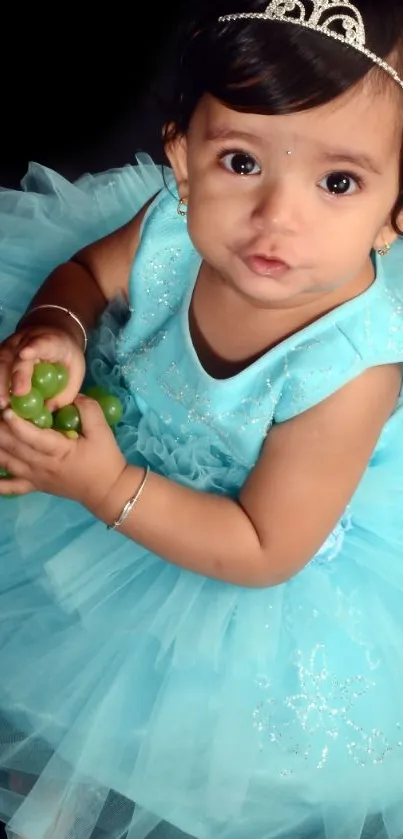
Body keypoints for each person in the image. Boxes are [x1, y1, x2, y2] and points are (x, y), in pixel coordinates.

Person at [0, 1, 403, 837]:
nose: (276, 218)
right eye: (240, 161)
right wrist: (57, 327)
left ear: (397, 212)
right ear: (181, 161)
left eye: (338, 182)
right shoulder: (173, 230)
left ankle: (92, 782)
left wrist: (105, 484)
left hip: (238, 536)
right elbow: (82, 273)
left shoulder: (350, 371)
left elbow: (262, 549)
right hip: (122, 452)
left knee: (157, 716)